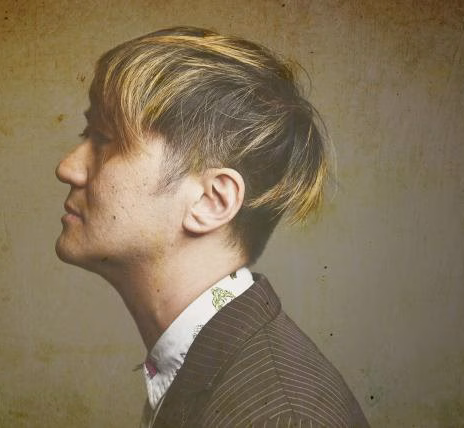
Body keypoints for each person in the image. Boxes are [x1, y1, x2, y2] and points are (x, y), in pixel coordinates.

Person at [55, 26, 369, 427]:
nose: (67, 167)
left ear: (211, 201)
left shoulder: (279, 417)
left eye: (103, 139)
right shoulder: (214, 368)